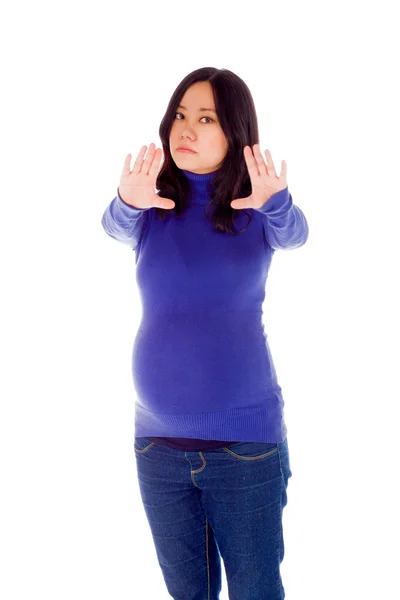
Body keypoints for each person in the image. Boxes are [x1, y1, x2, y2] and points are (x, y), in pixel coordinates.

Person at [101, 66, 309, 600]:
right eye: (180, 115)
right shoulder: (152, 206)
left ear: (235, 131)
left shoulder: (256, 207)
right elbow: (115, 226)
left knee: (256, 591)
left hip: (244, 448)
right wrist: (127, 200)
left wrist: (278, 201)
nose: (185, 128)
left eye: (206, 118)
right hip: (157, 447)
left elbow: (296, 235)